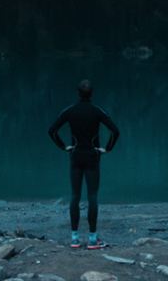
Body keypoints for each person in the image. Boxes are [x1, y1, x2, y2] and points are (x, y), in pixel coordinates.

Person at [48, 78, 120, 249]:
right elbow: (115, 131)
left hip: (75, 155)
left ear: (78, 93)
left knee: (75, 196)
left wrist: (64, 147)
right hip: (92, 156)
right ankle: (93, 240)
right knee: (92, 196)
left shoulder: (70, 111)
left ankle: (74, 238)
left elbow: (51, 131)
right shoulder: (97, 111)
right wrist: (107, 148)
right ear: (91, 94)